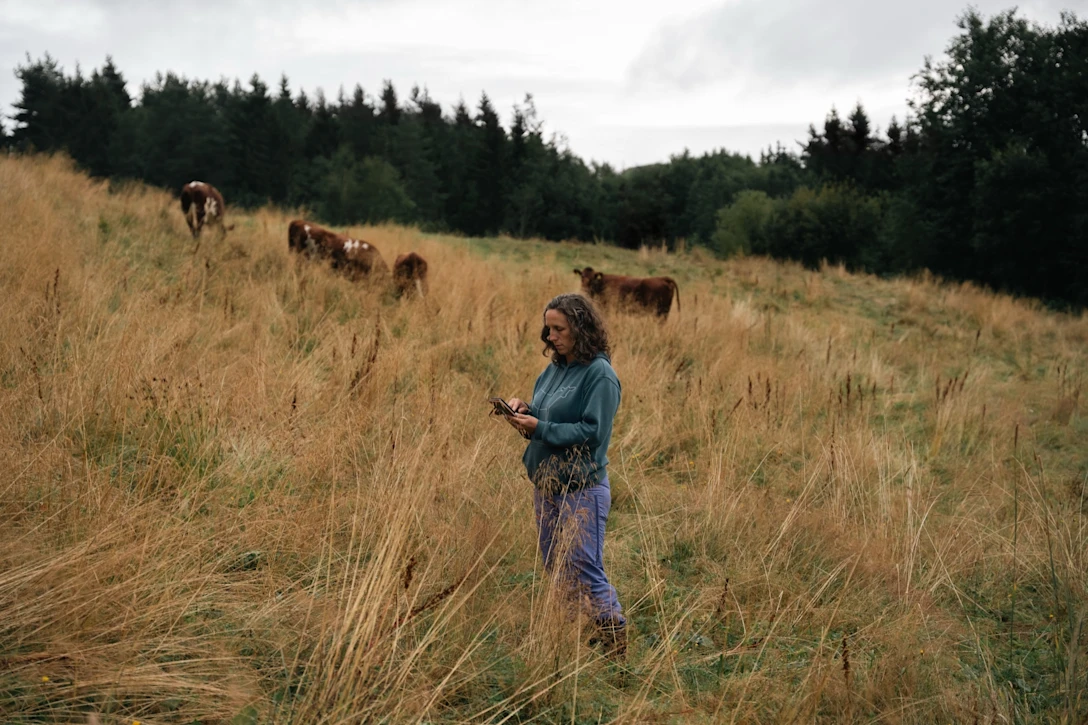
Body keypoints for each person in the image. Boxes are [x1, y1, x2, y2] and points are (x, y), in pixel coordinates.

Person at [504, 293, 626, 658]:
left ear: (581, 328)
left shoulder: (600, 375)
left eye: (559, 329)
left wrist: (539, 427)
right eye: (548, 329)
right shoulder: (555, 369)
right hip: (547, 484)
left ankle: (615, 647)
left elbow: (593, 432)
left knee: (584, 567)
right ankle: (573, 638)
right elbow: (548, 414)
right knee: (555, 565)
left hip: (581, 488)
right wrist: (524, 411)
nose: (551, 336)